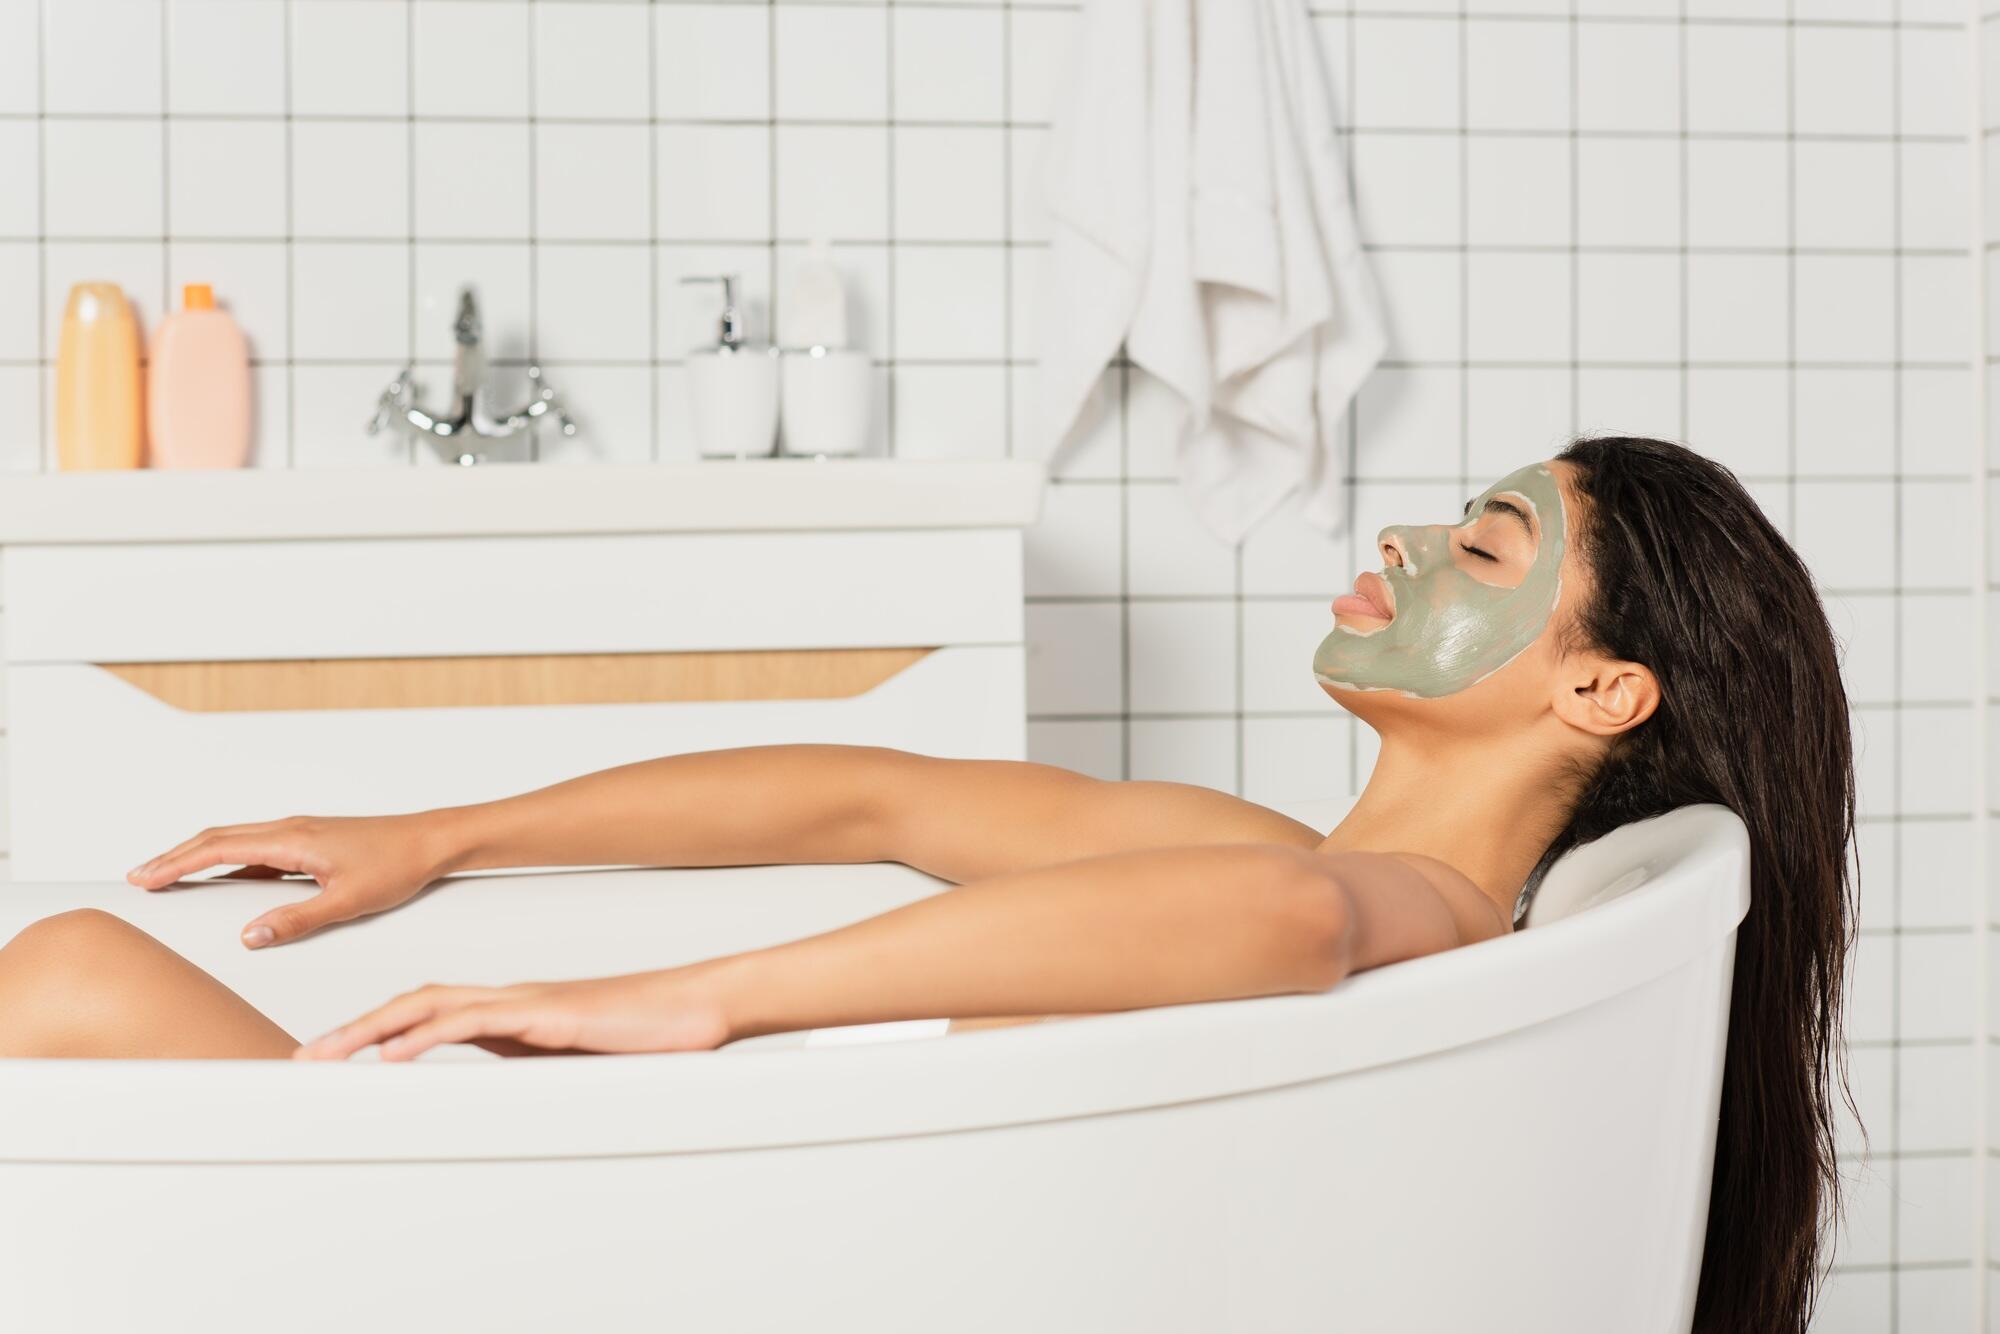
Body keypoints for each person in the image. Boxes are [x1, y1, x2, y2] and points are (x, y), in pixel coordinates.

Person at [0, 436, 1856, 1334]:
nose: (1402, 541)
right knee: (83, 971)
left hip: (714, 1279)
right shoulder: (1277, 849)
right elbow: (862, 791)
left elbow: (1290, 938)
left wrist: (696, 1000)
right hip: (707, 1257)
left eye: (1481, 546)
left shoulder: (1431, 931)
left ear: (1600, 689)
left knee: (81, 987)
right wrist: (442, 836)